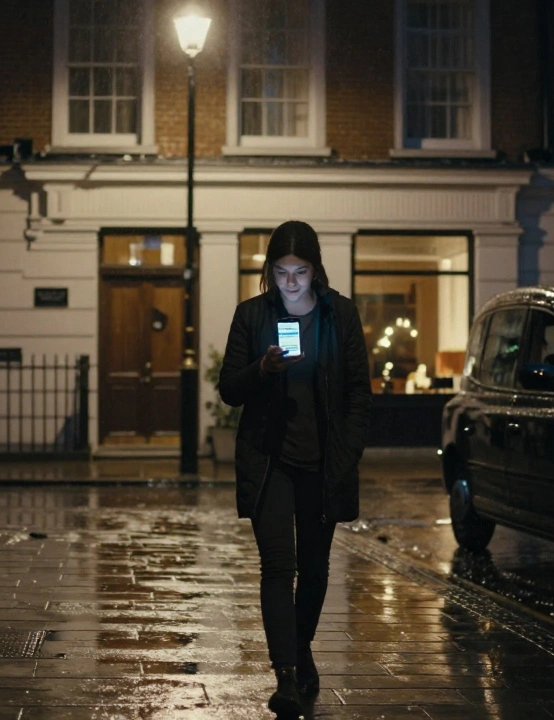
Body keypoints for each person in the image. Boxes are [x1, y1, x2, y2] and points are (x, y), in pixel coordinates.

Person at [218, 220, 372, 718]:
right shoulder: (251, 316)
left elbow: (357, 393)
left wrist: (346, 456)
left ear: (315, 270)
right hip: (270, 461)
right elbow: (229, 390)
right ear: (268, 271)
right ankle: (285, 675)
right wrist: (261, 369)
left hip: (324, 462)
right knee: (278, 566)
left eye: (299, 271)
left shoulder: (340, 316)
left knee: (316, 568)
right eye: (280, 271)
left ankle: (300, 647)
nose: (290, 282)